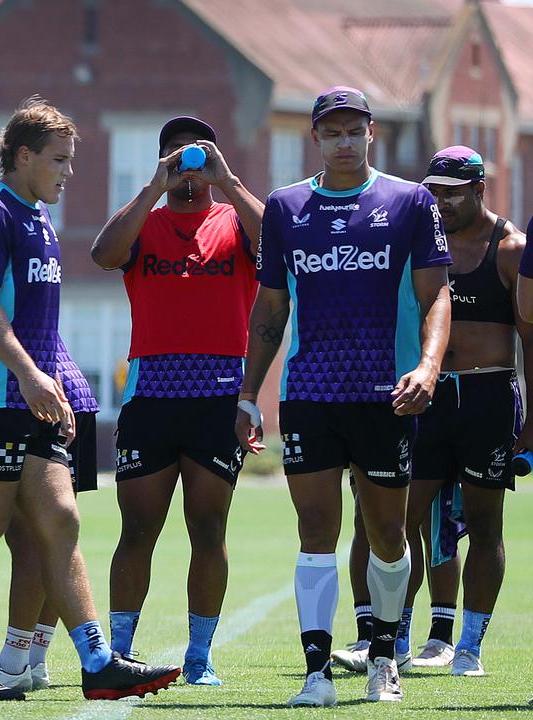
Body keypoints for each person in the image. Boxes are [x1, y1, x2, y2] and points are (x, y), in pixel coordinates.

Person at [0, 95, 178, 701]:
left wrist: (55, 380)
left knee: (61, 520)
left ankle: (97, 663)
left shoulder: (36, 215)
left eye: (71, 160)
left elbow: (37, 320)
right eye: (59, 160)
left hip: (34, 398)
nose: (69, 172)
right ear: (21, 156)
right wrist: (27, 374)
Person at [238, 87, 451, 706]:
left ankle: (385, 655)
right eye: (332, 132)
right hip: (310, 394)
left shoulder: (409, 202)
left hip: (386, 395)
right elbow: (271, 309)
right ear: (316, 140)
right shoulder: (286, 207)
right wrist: (249, 394)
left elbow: (435, 295)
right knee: (315, 529)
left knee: (388, 533)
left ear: (370, 134)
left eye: (354, 130)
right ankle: (315, 674)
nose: (344, 141)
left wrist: (430, 366)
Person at [89, 116, 263, 686]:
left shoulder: (234, 221)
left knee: (208, 528)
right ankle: (117, 650)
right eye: (175, 155)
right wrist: (153, 187)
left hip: (217, 397)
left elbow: (279, 246)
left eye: (196, 156)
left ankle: (199, 655)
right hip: (151, 394)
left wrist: (229, 181)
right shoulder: (145, 222)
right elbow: (102, 254)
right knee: (137, 529)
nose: (187, 168)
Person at [397, 146, 528, 677]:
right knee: (400, 522)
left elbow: (530, 339)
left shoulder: (510, 248)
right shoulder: (418, 241)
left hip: (486, 397)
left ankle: (469, 646)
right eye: (434, 192)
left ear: (480, 189)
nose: (442, 203)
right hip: (425, 397)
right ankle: (394, 639)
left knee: (484, 523)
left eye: (453, 193)